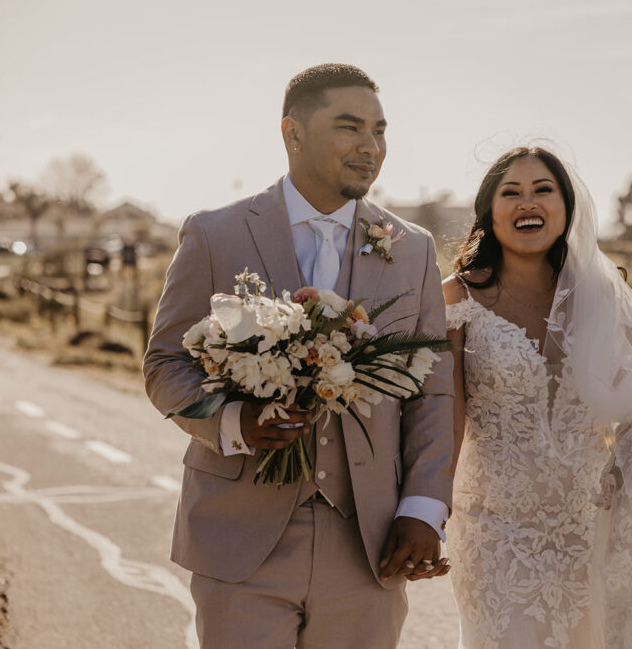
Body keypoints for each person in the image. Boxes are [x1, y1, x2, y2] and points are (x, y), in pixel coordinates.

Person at [143, 64, 454, 648]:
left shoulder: (412, 249)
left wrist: (424, 505)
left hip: (368, 540)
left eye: (380, 130)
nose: (371, 146)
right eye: (349, 127)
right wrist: (234, 422)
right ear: (293, 134)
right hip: (240, 535)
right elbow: (164, 363)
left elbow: (433, 388)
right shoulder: (215, 234)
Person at [442, 146, 632, 648]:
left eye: (542, 190)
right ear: (489, 212)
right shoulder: (456, 297)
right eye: (509, 192)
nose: (526, 203)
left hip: (589, 525)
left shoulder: (601, 296)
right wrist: (430, 513)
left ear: (567, 207)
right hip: (494, 530)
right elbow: (445, 416)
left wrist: (624, 475)